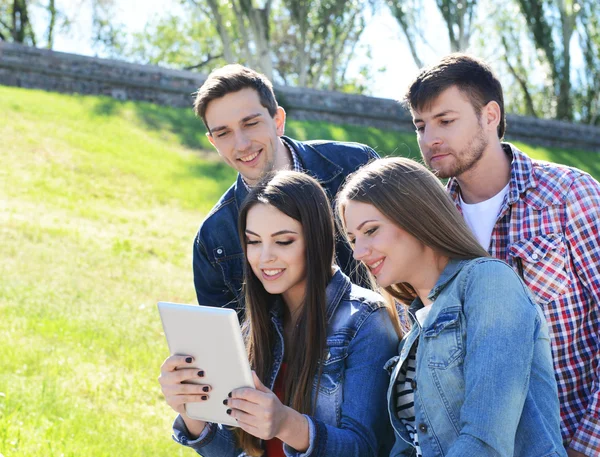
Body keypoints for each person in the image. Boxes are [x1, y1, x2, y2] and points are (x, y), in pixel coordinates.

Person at [403, 53, 600, 456]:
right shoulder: (431, 227)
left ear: (490, 115)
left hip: (572, 437)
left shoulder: (569, 197)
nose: (429, 139)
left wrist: (586, 443)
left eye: (446, 120)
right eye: (421, 126)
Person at [160, 171, 400, 457]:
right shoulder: (259, 322)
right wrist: (191, 411)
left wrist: (286, 423)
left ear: (317, 240)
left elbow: (363, 449)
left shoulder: (367, 320)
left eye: (283, 241)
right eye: (253, 241)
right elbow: (235, 451)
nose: (264, 257)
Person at [337, 157, 566, 456]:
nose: (357, 253)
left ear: (415, 216)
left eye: (370, 231)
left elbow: (485, 441)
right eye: (353, 239)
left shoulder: (489, 282)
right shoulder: (413, 331)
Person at [192, 64, 377, 313]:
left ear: (278, 121)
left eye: (250, 123)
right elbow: (227, 342)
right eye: (224, 133)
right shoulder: (213, 238)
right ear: (213, 142)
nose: (242, 144)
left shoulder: (356, 165)